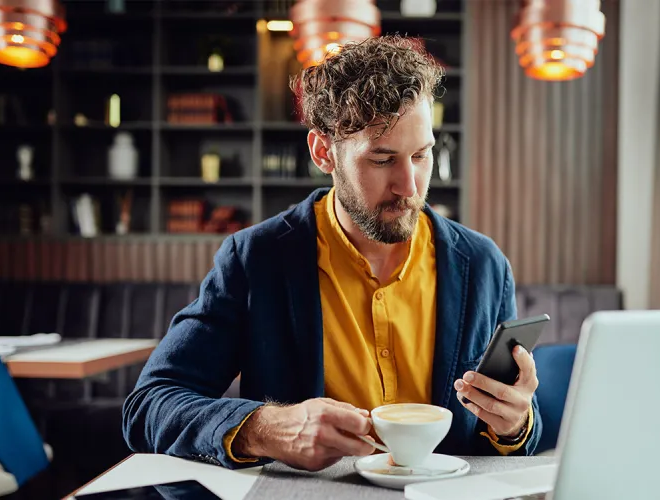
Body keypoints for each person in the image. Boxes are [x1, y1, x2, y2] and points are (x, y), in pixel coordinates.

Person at [122, 35, 541, 472]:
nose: (409, 186)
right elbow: (149, 405)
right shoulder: (255, 260)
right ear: (324, 152)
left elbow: (515, 432)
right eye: (382, 160)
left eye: (421, 155)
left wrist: (515, 424)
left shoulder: (484, 265)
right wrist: (266, 427)